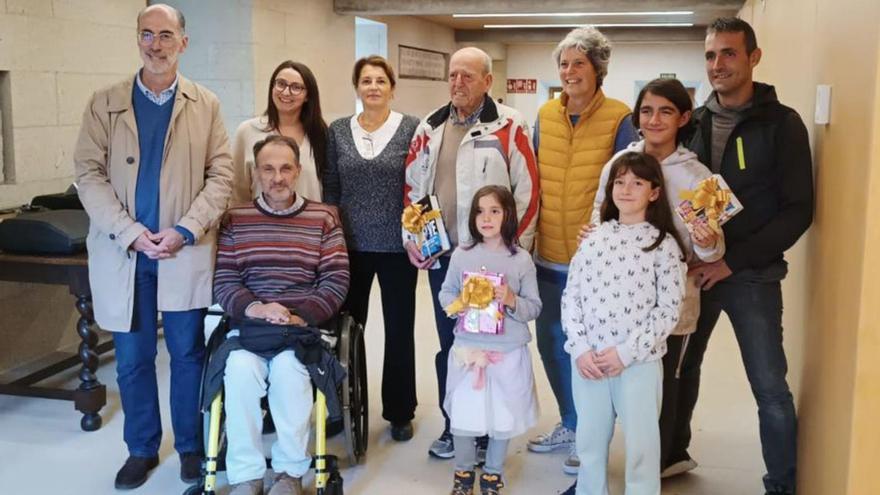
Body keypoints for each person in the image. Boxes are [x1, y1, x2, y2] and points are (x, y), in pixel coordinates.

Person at [73, 4, 233, 490]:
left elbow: (222, 175)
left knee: (187, 354)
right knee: (133, 358)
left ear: (183, 43)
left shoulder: (206, 104)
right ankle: (141, 448)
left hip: (182, 250)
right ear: (137, 39)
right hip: (126, 253)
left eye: (166, 35)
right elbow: (87, 174)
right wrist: (131, 233)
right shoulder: (105, 103)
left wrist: (184, 230)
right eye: (147, 34)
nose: (156, 44)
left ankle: (189, 446)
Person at [671, 18, 814, 495]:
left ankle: (782, 485)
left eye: (729, 53)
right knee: (682, 370)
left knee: (769, 387)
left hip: (752, 277)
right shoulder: (694, 123)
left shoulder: (782, 124)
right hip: (695, 274)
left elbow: (798, 211)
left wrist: (732, 261)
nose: (718, 65)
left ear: (754, 57)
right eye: (711, 55)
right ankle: (672, 456)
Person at [403, 46, 539, 460]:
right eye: (453, 75)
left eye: (467, 75)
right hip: (448, 260)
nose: (458, 83)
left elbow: (528, 192)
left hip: (495, 258)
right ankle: (455, 426)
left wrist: (517, 252)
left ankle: (489, 430)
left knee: (493, 349)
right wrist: (414, 239)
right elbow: (413, 188)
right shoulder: (430, 126)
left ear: (487, 81)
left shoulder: (510, 125)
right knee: (453, 346)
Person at [587, 78, 725, 478]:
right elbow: (600, 213)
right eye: (646, 110)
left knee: (662, 392)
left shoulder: (699, 178)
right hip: (616, 304)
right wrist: (593, 234)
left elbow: (712, 253)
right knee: (619, 389)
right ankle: (614, 470)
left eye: (666, 111)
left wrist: (709, 242)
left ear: (684, 118)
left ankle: (654, 472)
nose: (654, 119)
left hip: (671, 308)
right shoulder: (619, 164)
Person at [213, 135, 350, 495]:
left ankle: (289, 473)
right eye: (268, 169)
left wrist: (299, 315)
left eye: (285, 168)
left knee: (291, 372)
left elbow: (336, 279)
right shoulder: (235, 219)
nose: (277, 177)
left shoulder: (323, 217)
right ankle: (246, 474)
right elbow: (225, 279)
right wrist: (256, 308)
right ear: (255, 173)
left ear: (298, 171)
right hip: (252, 327)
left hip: (301, 330)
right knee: (241, 371)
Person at [529, 25, 637, 475]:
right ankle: (571, 423)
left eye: (579, 63)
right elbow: (531, 180)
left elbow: (626, 185)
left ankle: (593, 434)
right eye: (564, 64)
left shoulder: (620, 117)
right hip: (547, 254)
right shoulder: (544, 116)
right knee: (552, 343)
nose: (570, 71)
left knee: (592, 350)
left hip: (596, 262)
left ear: (598, 68)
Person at [562, 152, 686, 495]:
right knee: (590, 443)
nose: (626, 189)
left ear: (655, 192)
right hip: (589, 363)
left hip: (637, 363)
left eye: (637, 183)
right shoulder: (593, 239)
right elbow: (571, 297)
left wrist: (626, 353)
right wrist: (582, 348)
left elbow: (668, 311)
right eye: (620, 182)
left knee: (643, 447)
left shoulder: (664, 245)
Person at [323, 55, 421, 441]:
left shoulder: (411, 128)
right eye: (366, 80)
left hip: (399, 248)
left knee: (400, 330)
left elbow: (418, 183)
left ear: (392, 88)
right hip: (350, 247)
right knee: (347, 331)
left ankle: (400, 411)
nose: (374, 86)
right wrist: (330, 234)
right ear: (357, 87)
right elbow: (332, 185)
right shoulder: (338, 130)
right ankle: (343, 403)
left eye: (381, 80)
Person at [439, 186, 542, 495]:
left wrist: (511, 299)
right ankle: (463, 474)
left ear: (508, 215)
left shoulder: (521, 260)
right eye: (480, 211)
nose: (486, 218)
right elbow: (445, 293)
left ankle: (493, 474)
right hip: (468, 350)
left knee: (503, 417)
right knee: (464, 416)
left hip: (507, 353)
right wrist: (459, 303)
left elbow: (534, 307)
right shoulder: (462, 255)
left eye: (495, 211)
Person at [231, 60, 327, 205]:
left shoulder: (322, 135)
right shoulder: (247, 131)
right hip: (261, 226)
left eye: (296, 87)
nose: (286, 92)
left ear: (308, 95)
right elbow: (237, 192)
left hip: (310, 225)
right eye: (281, 84)